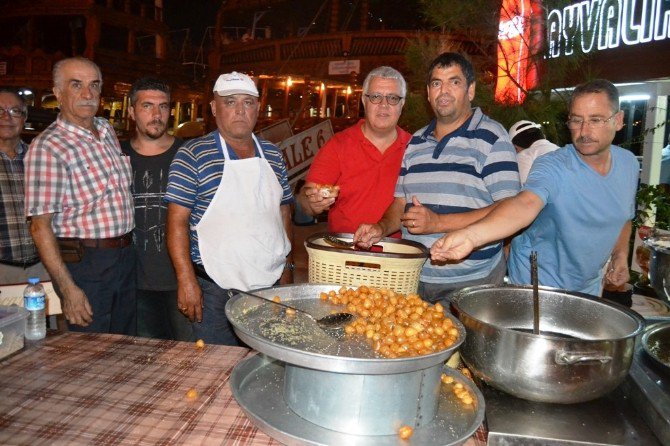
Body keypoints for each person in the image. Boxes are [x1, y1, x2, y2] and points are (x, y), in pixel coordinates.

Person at [431, 79, 638, 297]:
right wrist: (471, 237)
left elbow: (623, 217)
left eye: (595, 120)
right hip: (536, 284)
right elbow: (524, 204)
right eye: (576, 120)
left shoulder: (629, 164)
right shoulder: (553, 165)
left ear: (618, 120)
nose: (584, 131)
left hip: (588, 287)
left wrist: (620, 256)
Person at [355, 52, 521, 302]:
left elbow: (510, 209)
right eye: (436, 83)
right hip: (414, 278)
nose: (443, 91)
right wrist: (380, 227)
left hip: (470, 283)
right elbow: (401, 203)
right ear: (429, 93)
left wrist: (439, 223)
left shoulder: (492, 138)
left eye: (454, 82)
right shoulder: (416, 141)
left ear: (471, 90)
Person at [165, 71, 294, 345]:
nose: (240, 110)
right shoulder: (192, 154)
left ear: (258, 108)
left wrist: (286, 264)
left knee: (263, 367)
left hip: (267, 287)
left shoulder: (272, 154)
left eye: (248, 102)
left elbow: (282, 211)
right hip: (214, 292)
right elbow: (176, 222)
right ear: (214, 108)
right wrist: (186, 280)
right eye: (230, 101)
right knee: (213, 371)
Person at [24, 57, 136, 333]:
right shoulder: (48, 147)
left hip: (125, 257)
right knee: (90, 353)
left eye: (94, 85)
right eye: (77, 85)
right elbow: (39, 227)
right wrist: (68, 288)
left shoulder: (106, 130)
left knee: (126, 345)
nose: (88, 95)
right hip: (87, 264)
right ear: (58, 93)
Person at [296, 66, 411, 235]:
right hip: (345, 251)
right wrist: (311, 202)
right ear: (364, 101)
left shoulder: (414, 148)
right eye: (375, 97)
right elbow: (305, 198)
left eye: (393, 98)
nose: (383, 105)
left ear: (402, 103)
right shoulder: (338, 145)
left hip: (398, 254)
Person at [120, 78, 192, 341]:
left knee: (192, 357)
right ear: (131, 111)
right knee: (146, 361)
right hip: (134, 281)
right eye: (147, 105)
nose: (156, 114)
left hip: (185, 279)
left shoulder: (189, 154)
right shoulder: (115, 155)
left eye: (163, 107)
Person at [0, 89, 49, 284]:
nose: (6, 117)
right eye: (0, 111)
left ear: (24, 117)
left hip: (43, 267)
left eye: (14, 111)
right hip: (2, 270)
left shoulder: (40, 158)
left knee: (44, 315)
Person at [508, 120, 559, 184]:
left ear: (515, 147)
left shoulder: (524, 156)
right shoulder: (560, 150)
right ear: (543, 136)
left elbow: (524, 190)